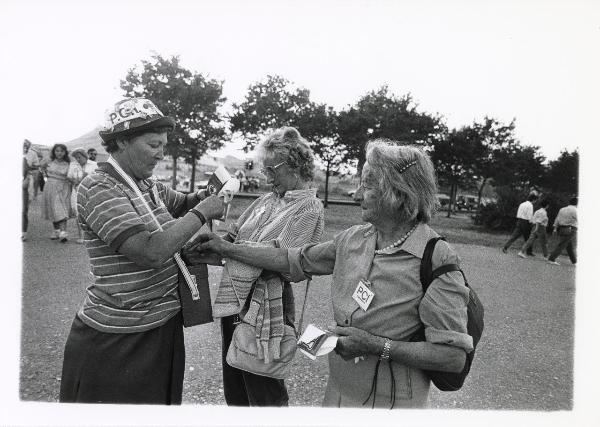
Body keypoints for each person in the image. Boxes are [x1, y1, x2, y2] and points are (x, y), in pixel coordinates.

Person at [193, 140, 472, 408]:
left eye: (369, 185)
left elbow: (452, 357)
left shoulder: (436, 257)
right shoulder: (354, 239)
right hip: (338, 394)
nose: (357, 194)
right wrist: (225, 248)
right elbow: (289, 258)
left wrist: (377, 346)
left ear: (399, 193)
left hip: (394, 403)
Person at [59, 98, 226, 404]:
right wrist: (204, 211)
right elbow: (150, 252)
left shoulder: (146, 184)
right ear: (121, 141)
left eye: (163, 144)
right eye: (153, 144)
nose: (161, 153)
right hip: (121, 334)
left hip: (160, 323)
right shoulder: (99, 187)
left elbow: (183, 203)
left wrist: (210, 194)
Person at [188, 126, 324, 407]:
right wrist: (204, 250)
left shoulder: (309, 208)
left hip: (268, 308)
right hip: (235, 300)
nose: (266, 177)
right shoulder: (265, 200)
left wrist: (225, 248)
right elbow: (233, 241)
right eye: (265, 169)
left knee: (265, 393)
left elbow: (283, 259)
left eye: (272, 170)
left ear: (294, 167)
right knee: (235, 389)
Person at [40, 144, 74, 242]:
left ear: (65, 152)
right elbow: (41, 168)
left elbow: (71, 176)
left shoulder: (69, 163)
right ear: (54, 152)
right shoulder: (49, 162)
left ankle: (63, 233)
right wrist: (44, 173)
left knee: (61, 209)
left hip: (63, 187)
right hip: (50, 187)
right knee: (53, 208)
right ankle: (57, 231)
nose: (59, 153)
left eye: (62, 151)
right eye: (57, 151)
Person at [67, 147, 98, 243]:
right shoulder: (73, 165)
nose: (78, 159)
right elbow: (69, 177)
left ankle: (94, 235)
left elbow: (98, 177)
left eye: (79, 157)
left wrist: (86, 178)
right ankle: (81, 235)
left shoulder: (93, 165)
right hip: (76, 191)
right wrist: (74, 180)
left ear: (85, 156)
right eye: (76, 158)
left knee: (91, 212)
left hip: (90, 191)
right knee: (78, 213)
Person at [547, 196, 578, 265]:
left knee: (568, 246)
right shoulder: (575, 210)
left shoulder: (562, 209)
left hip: (561, 229)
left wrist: (555, 228)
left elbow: (557, 219)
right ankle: (551, 259)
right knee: (562, 245)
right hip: (571, 229)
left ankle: (574, 261)